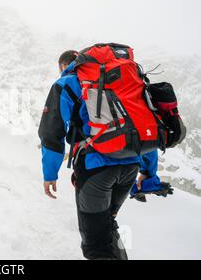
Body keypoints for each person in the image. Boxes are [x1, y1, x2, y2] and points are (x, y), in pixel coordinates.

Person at [38, 49, 170, 260]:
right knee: (107, 224)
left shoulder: (66, 84)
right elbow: (142, 130)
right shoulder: (120, 84)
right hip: (129, 168)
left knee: (96, 247)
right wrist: (148, 172)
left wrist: (50, 174)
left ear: (64, 66)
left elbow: (51, 133)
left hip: (95, 170)